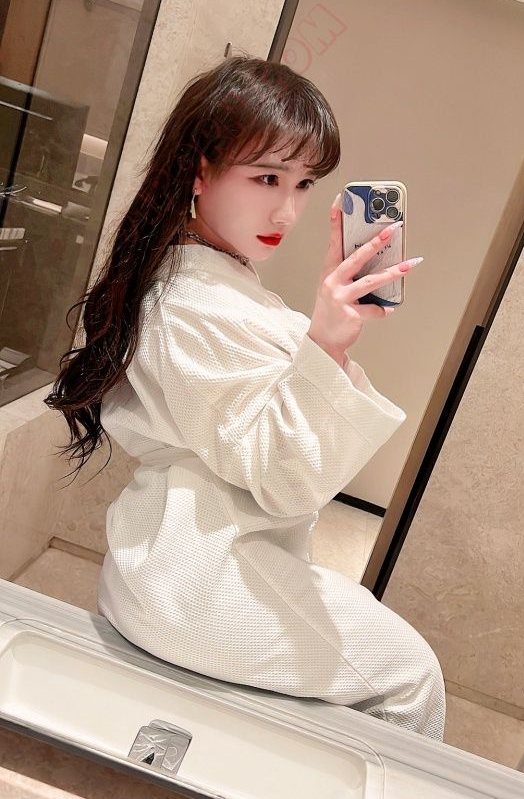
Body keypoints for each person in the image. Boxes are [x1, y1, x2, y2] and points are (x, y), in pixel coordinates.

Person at [44, 55, 446, 742]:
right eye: (266, 178)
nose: (287, 210)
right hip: (198, 578)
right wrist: (325, 341)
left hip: (191, 556)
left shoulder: (208, 276)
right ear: (199, 172)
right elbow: (285, 481)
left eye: (304, 183)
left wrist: (326, 342)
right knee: (409, 677)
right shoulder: (189, 301)